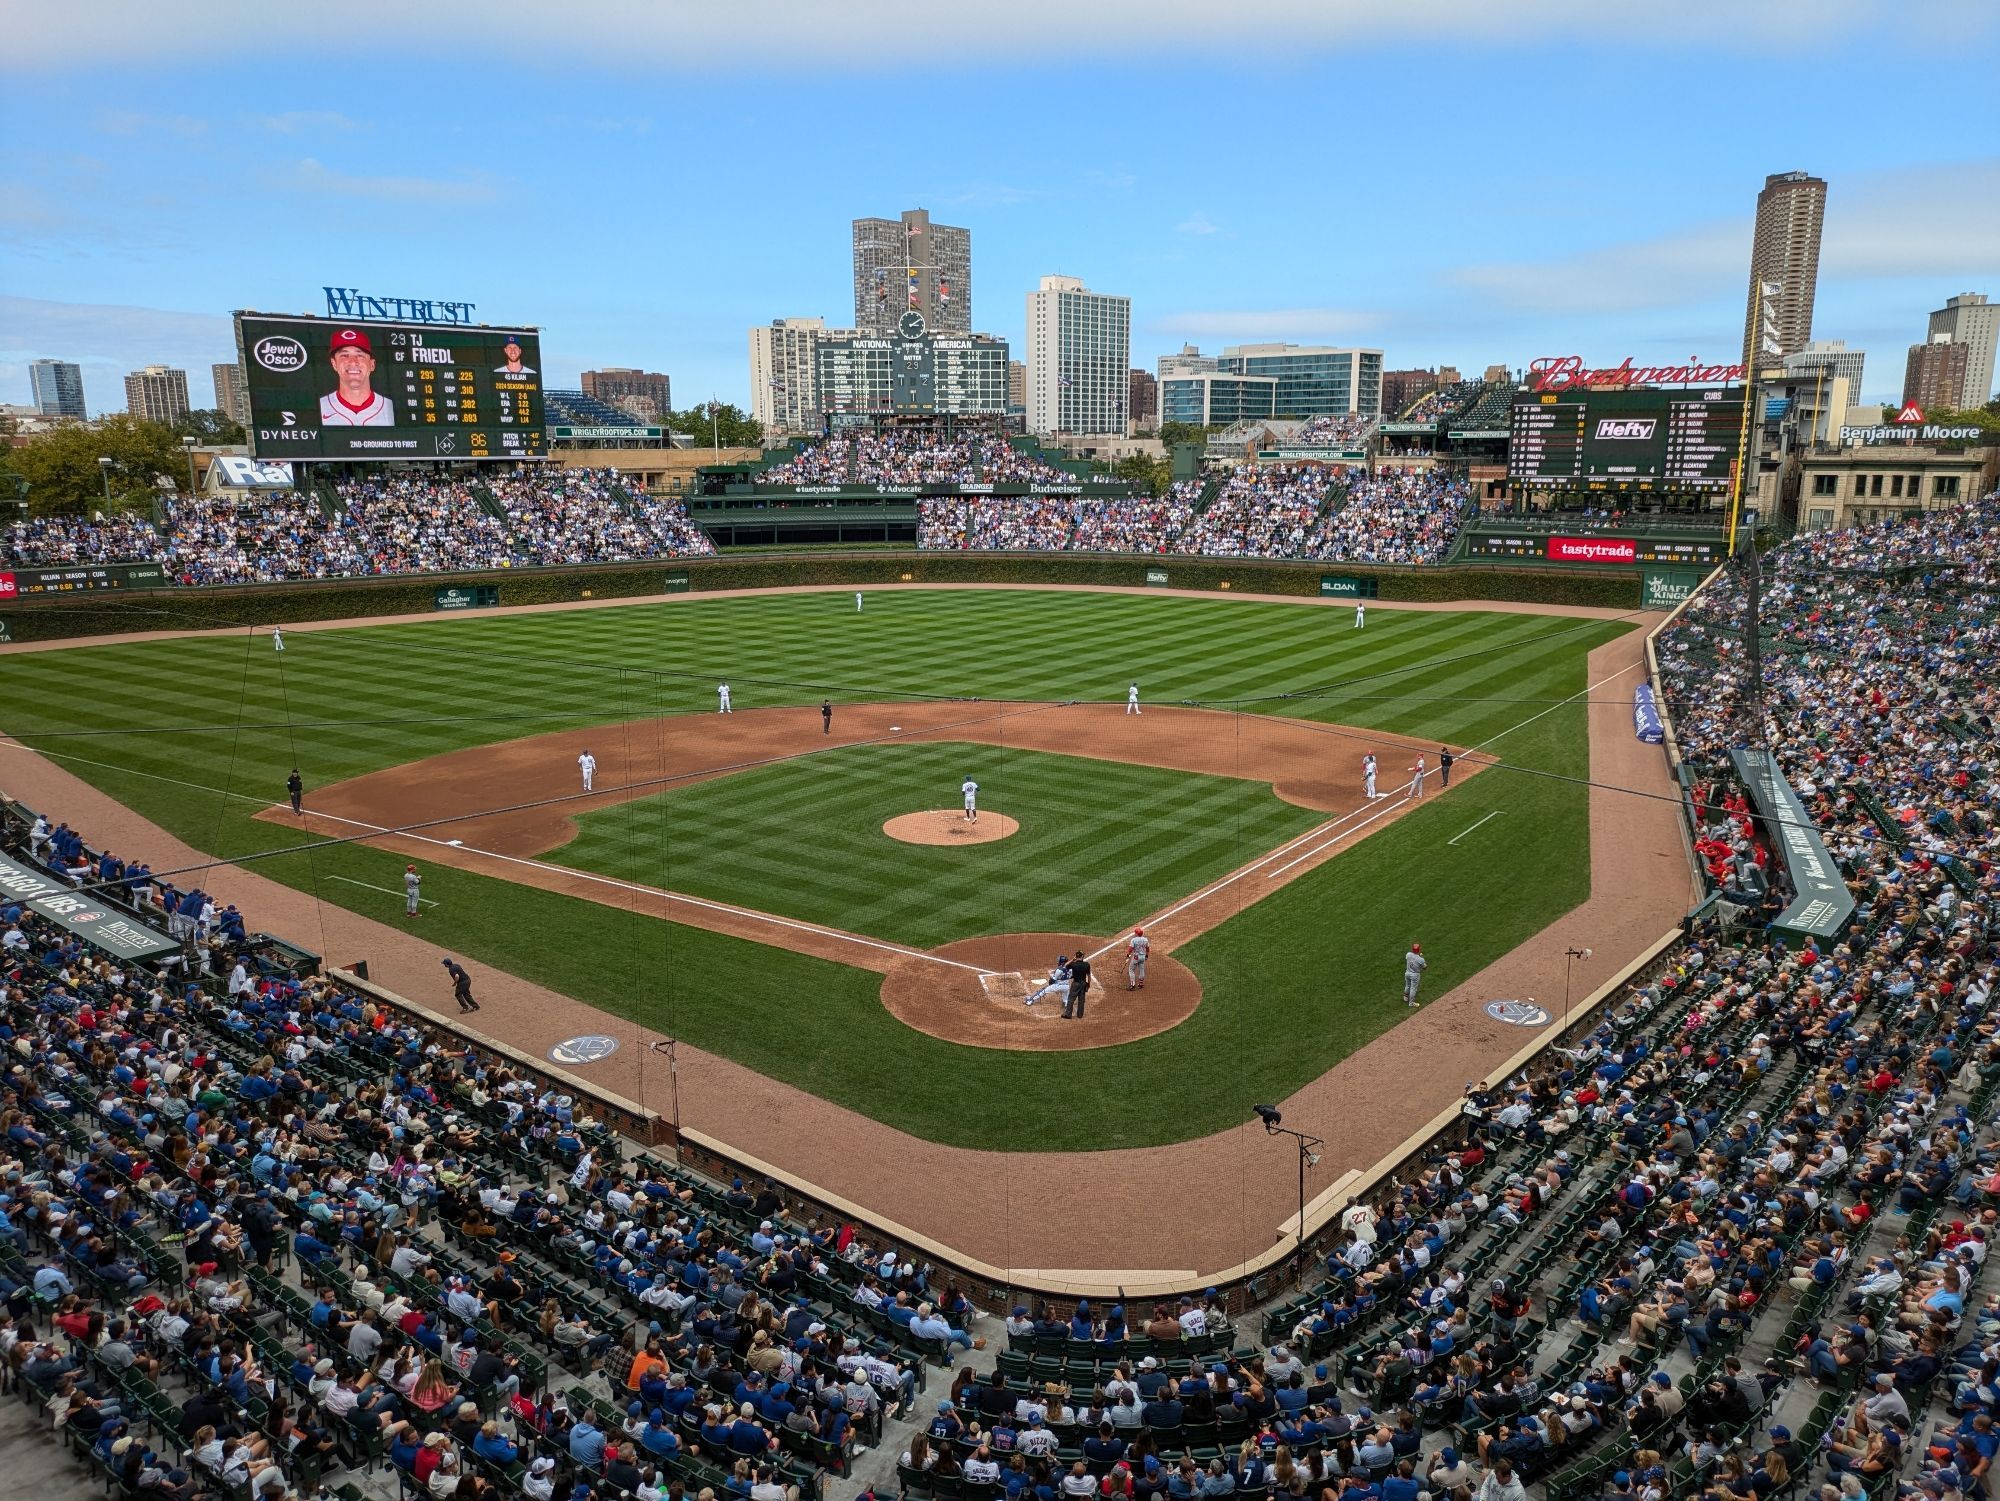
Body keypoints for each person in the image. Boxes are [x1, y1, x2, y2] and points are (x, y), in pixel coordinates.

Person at [320, 327, 395, 426]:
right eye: (344, 355)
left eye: (360, 355)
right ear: (334, 364)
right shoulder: (320, 407)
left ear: (372, 365)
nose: (353, 362)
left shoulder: (390, 408)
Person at [1063, 951, 1092, 1021]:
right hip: (1083, 984)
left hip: (1075, 984)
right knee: (1081, 1000)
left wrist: (1072, 960)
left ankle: (1068, 1014)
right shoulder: (1087, 964)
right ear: (1082, 956)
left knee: (1071, 999)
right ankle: (1080, 1015)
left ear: (1076, 956)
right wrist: (1088, 984)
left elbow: (1065, 966)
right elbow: (1089, 976)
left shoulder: (1073, 964)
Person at [1403, 942, 1427, 1009]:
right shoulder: (1421, 959)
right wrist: (1421, 957)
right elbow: (1425, 967)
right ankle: (1411, 1003)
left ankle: (1405, 998)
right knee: (1413, 988)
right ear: (1419, 950)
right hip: (1415, 975)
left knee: (1407, 985)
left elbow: (1412, 958)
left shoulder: (1408, 954)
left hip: (1407, 973)